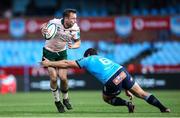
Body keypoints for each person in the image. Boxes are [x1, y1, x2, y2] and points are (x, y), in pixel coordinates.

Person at [41, 48, 171, 113]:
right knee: (141, 93)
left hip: (111, 79)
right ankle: (163, 108)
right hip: (122, 72)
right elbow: (116, 72)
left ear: (87, 55)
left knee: (106, 98)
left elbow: (66, 63)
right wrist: (126, 88)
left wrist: (50, 63)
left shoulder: (87, 60)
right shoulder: (103, 58)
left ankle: (127, 104)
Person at [41, 9, 81, 113]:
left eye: (75, 18)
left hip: (62, 53)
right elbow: (44, 25)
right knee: (54, 78)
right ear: (66, 18)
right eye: (73, 18)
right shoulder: (55, 22)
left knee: (63, 78)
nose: (75, 20)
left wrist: (74, 46)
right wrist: (43, 29)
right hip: (49, 52)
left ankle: (66, 98)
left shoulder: (75, 28)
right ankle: (57, 101)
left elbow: (78, 42)